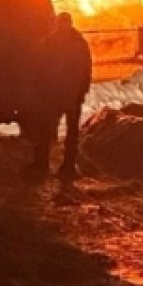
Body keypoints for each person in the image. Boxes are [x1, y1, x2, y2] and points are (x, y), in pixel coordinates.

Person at [26, 11, 92, 183]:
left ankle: (59, 165)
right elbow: (40, 70)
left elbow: (86, 70)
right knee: (51, 131)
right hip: (59, 95)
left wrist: (82, 90)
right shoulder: (75, 43)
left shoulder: (54, 43)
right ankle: (52, 165)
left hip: (63, 95)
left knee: (62, 132)